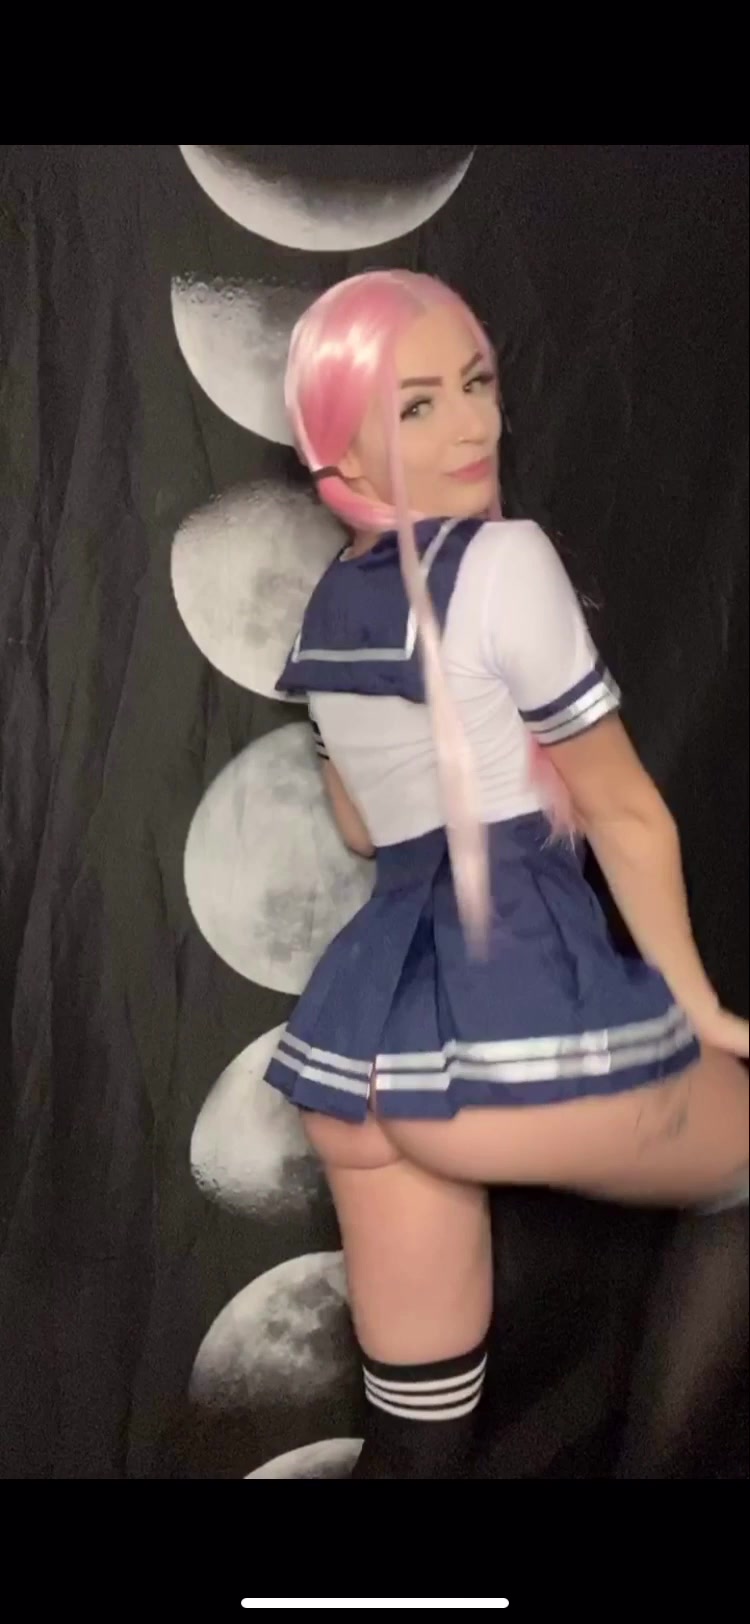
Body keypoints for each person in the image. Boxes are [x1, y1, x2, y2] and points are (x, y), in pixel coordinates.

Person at [264, 269, 749, 1478]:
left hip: (357, 1057)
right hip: (503, 1011)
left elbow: (365, 829)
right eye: (417, 405)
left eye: (476, 383)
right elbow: (624, 810)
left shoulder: (326, 611)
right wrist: (699, 1008)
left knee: (417, 1435)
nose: (475, 423)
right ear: (343, 453)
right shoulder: (505, 558)